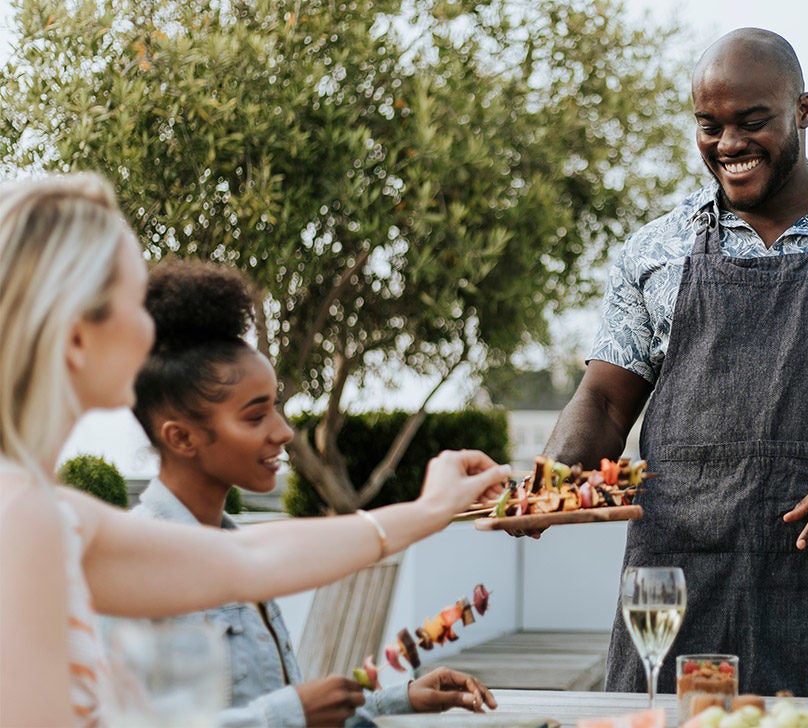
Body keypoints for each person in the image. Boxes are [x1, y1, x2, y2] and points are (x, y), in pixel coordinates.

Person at [543, 28, 808, 697]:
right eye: (709, 126)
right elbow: (603, 401)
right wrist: (549, 481)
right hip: (678, 592)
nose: (729, 145)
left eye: (752, 123)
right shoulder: (654, 251)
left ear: (802, 111)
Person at [0, 173, 510, 727]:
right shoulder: (23, 518)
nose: (151, 332)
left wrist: (429, 510)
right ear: (77, 337)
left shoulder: (50, 512)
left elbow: (249, 559)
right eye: (134, 304)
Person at [97, 259, 497, 727]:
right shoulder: (134, 563)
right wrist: (292, 713)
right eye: (255, 416)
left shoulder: (240, 553)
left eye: (277, 409)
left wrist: (400, 698)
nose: (284, 432)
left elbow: (262, 704)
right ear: (181, 438)